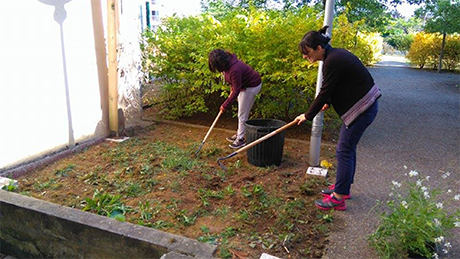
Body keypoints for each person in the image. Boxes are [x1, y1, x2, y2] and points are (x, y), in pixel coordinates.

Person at [295, 26, 381, 211]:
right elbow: (341, 86)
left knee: (344, 150)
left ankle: (339, 197)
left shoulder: (332, 61)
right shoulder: (335, 56)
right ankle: (343, 188)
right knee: (347, 149)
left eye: (307, 52)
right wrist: (329, 102)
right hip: (365, 106)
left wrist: (308, 115)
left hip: (363, 109)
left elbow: (325, 91)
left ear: (319, 48)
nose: (305, 56)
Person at [208, 49, 262, 149]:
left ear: (221, 63)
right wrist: (230, 92)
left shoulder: (234, 69)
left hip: (252, 86)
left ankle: (241, 139)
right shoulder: (227, 64)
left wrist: (225, 104)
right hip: (244, 86)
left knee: (242, 114)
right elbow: (233, 84)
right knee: (241, 113)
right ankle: (239, 133)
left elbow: (236, 89)